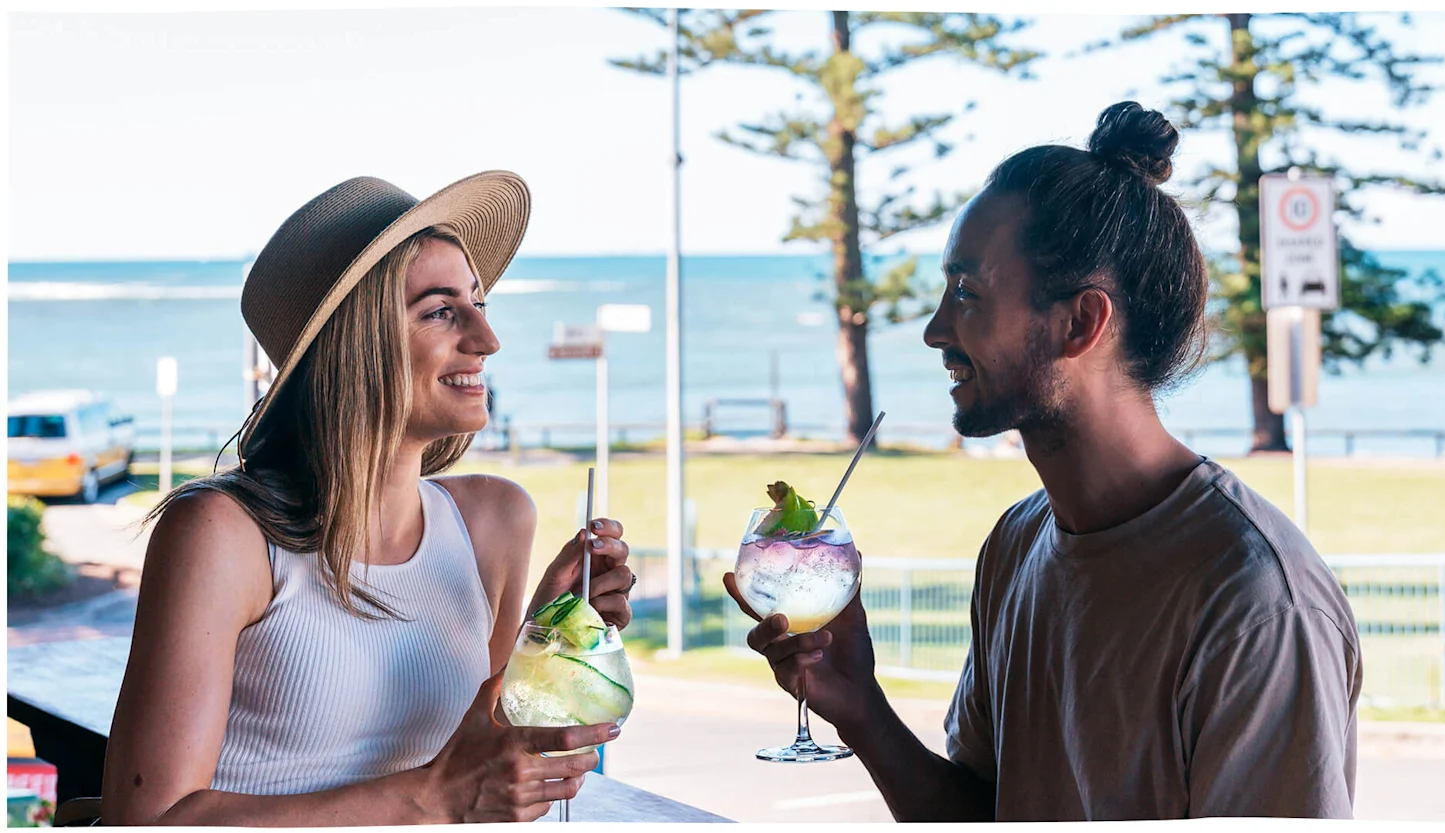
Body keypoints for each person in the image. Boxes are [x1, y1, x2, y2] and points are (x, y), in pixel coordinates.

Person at [726, 102, 1362, 821]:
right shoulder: (1017, 543)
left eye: (967, 292)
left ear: (1081, 322)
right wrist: (861, 708)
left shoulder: (1257, 603)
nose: (937, 329)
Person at [102, 172, 636, 824]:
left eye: (478, 303)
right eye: (442, 310)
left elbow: (488, 771)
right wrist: (430, 797)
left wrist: (548, 635)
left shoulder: (495, 520)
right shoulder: (223, 534)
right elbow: (149, 818)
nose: (487, 339)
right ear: (356, 343)